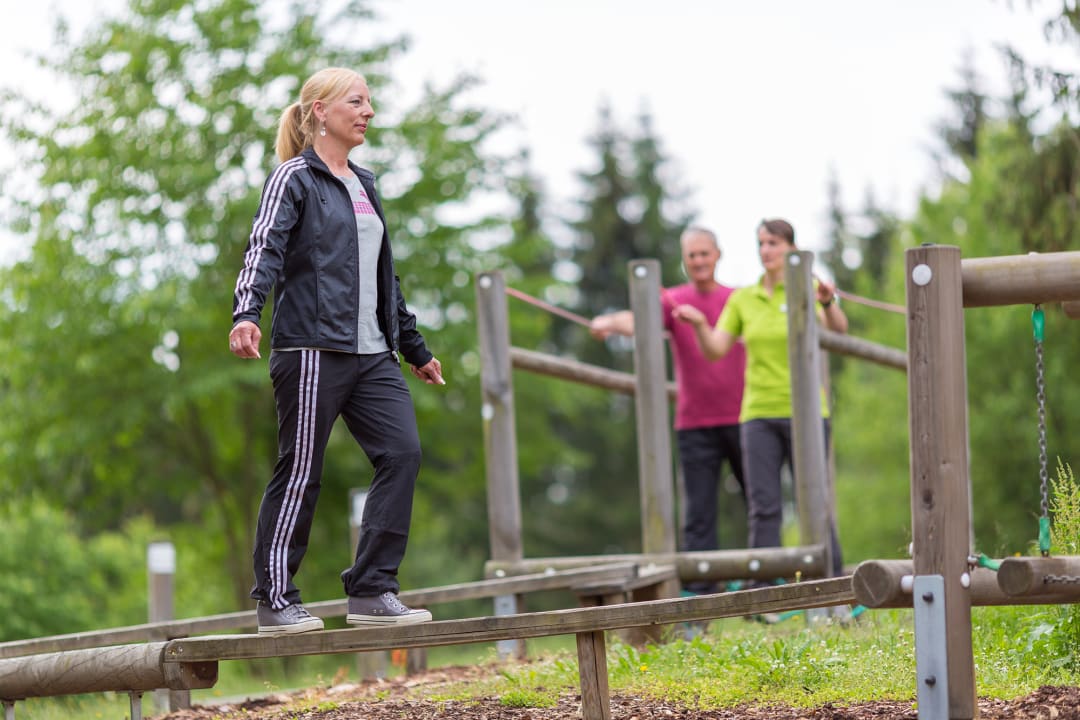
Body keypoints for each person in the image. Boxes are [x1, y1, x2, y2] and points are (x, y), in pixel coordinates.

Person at [229, 67, 444, 635]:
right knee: (302, 470)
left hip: (374, 353)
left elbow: (383, 275)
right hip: (311, 348)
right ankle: (276, 599)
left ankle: (373, 589)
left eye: (370, 101)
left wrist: (415, 347)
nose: (368, 111)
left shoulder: (365, 183)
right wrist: (247, 312)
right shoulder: (294, 178)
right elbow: (263, 246)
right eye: (356, 101)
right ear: (320, 111)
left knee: (403, 454)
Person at [672, 218, 848, 579]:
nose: (766, 250)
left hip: (807, 412)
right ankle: (765, 594)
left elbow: (838, 332)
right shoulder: (744, 299)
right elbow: (716, 350)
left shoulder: (806, 289)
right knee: (764, 507)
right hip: (757, 415)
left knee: (814, 503)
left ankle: (833, 586)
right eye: (762, 244)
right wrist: (701, 326)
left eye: (774, 243)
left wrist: (828, 303)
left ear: (791, 250)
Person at [590, 226, 747, 595]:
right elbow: (638, 320)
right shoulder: (673, 302)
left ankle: (766, 580)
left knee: (760, 503)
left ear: (718, 255)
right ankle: (701, 592)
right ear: (684, 259)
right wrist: (609, 322)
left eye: (704, 253)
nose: (698, 261)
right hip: (694, 421)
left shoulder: (737, 299)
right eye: (691, 255)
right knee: (698, 512)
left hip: (744, 419)